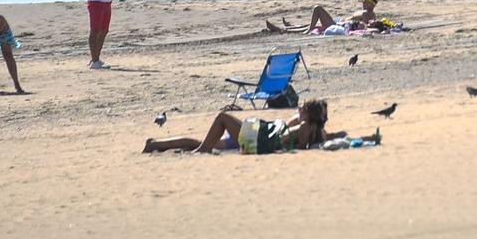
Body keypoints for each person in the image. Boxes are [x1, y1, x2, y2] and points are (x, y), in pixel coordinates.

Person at [143, 99, 341, 154]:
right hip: (255, 135)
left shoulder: (303, 125)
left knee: (221, 119)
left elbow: (285, 140)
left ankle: (199, 150)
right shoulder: (316, 131)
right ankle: (156, 145)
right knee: (197, 142)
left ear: (307, 113)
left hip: (254, 136)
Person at [268, 0, 386, 34]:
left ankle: (288, 28)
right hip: (339, 23)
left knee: (318, 9)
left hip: (339, 25)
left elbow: (364, 25)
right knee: (312, 25)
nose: (363, 3)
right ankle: (286, 28)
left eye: (365, 1)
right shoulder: (367, 13)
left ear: (371, 4)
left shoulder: (368, 13)